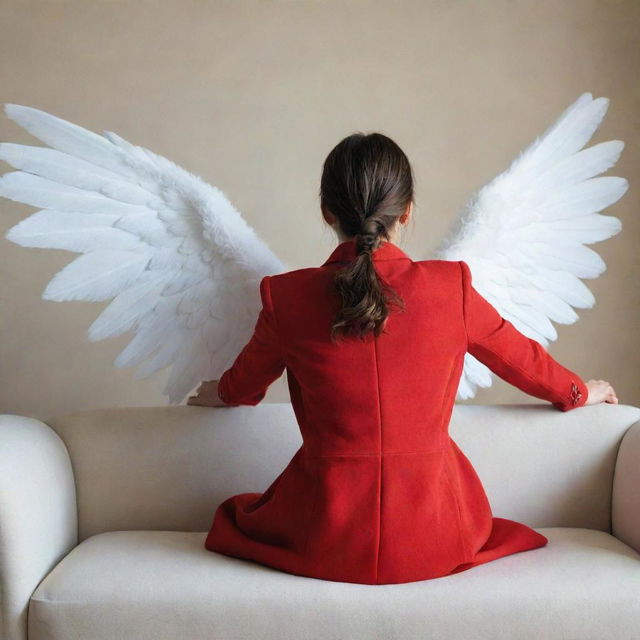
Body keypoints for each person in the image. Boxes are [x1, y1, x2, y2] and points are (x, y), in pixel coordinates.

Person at [188, 133, 619, 585]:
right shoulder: (450, 287)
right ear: (407, 211)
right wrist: (579, 391)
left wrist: (214, 393)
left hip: (325, 537)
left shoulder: (287, 296)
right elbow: (526, 362)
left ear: (326, 212)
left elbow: (241, 388)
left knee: (234, 515)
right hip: (437, 537)